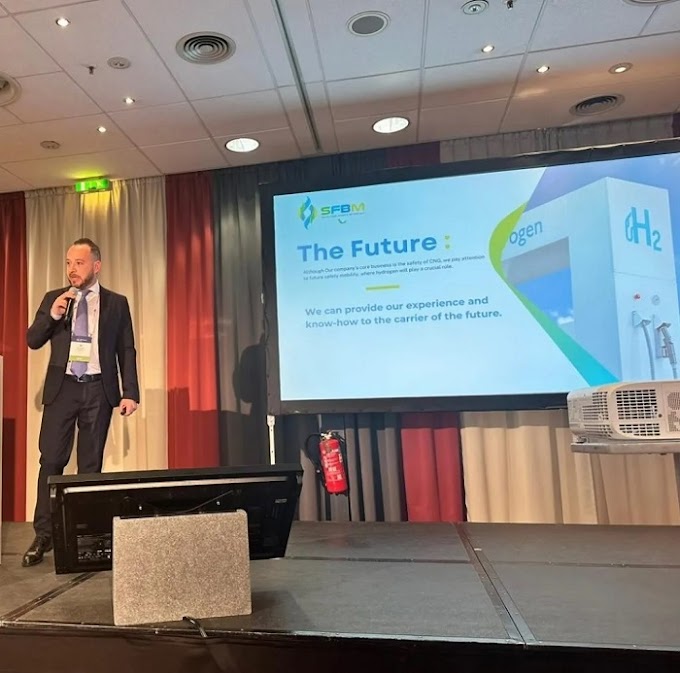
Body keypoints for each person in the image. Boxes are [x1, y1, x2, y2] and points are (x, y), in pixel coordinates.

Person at [22, 238, 139, 567]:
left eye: (79, 263)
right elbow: (33, 340)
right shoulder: (55, 299)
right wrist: (52, 315)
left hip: (98, 389)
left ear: (96, 266)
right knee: (51, 460)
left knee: (90, 466)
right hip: (63, 389)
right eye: (68, 263)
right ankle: (44, 534)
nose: (72, 269)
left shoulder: (116, 303)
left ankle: (84, 533)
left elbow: (126, 349)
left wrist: (130, 392)